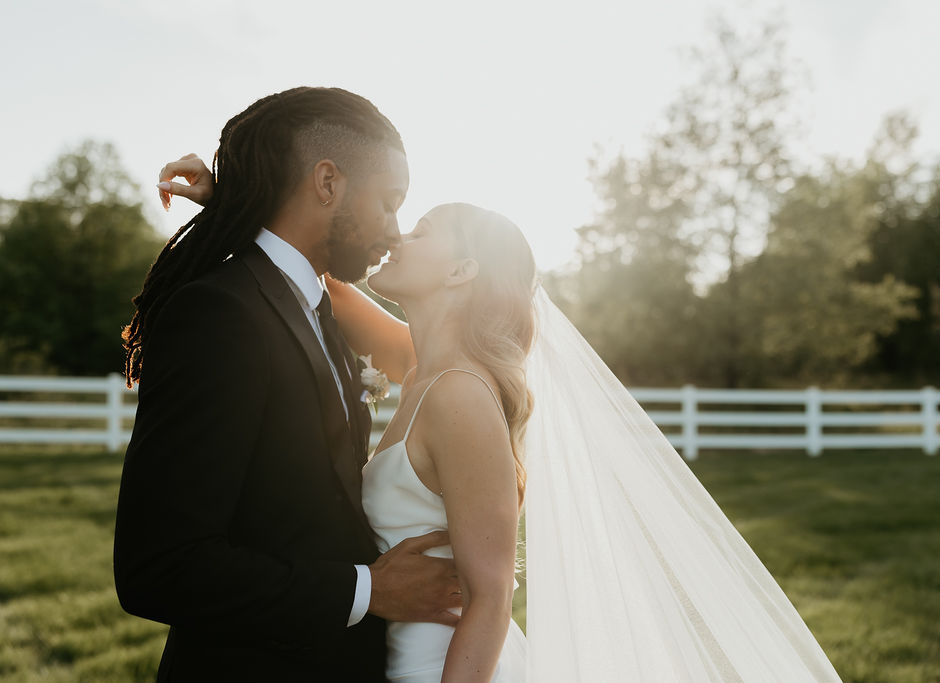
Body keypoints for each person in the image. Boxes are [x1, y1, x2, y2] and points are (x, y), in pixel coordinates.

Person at [157, 178, 843, 679]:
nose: (398, 234)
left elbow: (491, 593)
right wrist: (234, 200)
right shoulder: (422, 366)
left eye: (422, 229)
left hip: (437, 668)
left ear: (462, 269)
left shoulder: (458, 395)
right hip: (384, 652)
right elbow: (316, 285)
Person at [113, 87, 463, 683]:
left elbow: (424, 355)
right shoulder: (221, 315)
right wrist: (366, 590)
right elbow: (159, 566)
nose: (394, 231)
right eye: (388, 202)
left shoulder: (314, 303)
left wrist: (241, 204)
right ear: (327, 183)